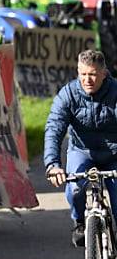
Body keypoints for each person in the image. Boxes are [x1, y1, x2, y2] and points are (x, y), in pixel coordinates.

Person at [45, 49, 117, 247]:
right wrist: (53, 164)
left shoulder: (115, 92)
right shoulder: (68, 94)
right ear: (78, 72)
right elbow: (54, 128)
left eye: (93, 74)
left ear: (103, 73)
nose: (88, 80)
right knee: (75, 188)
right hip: (82, 151)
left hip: (114, 154)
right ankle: (79, 222)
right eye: (83, 74)